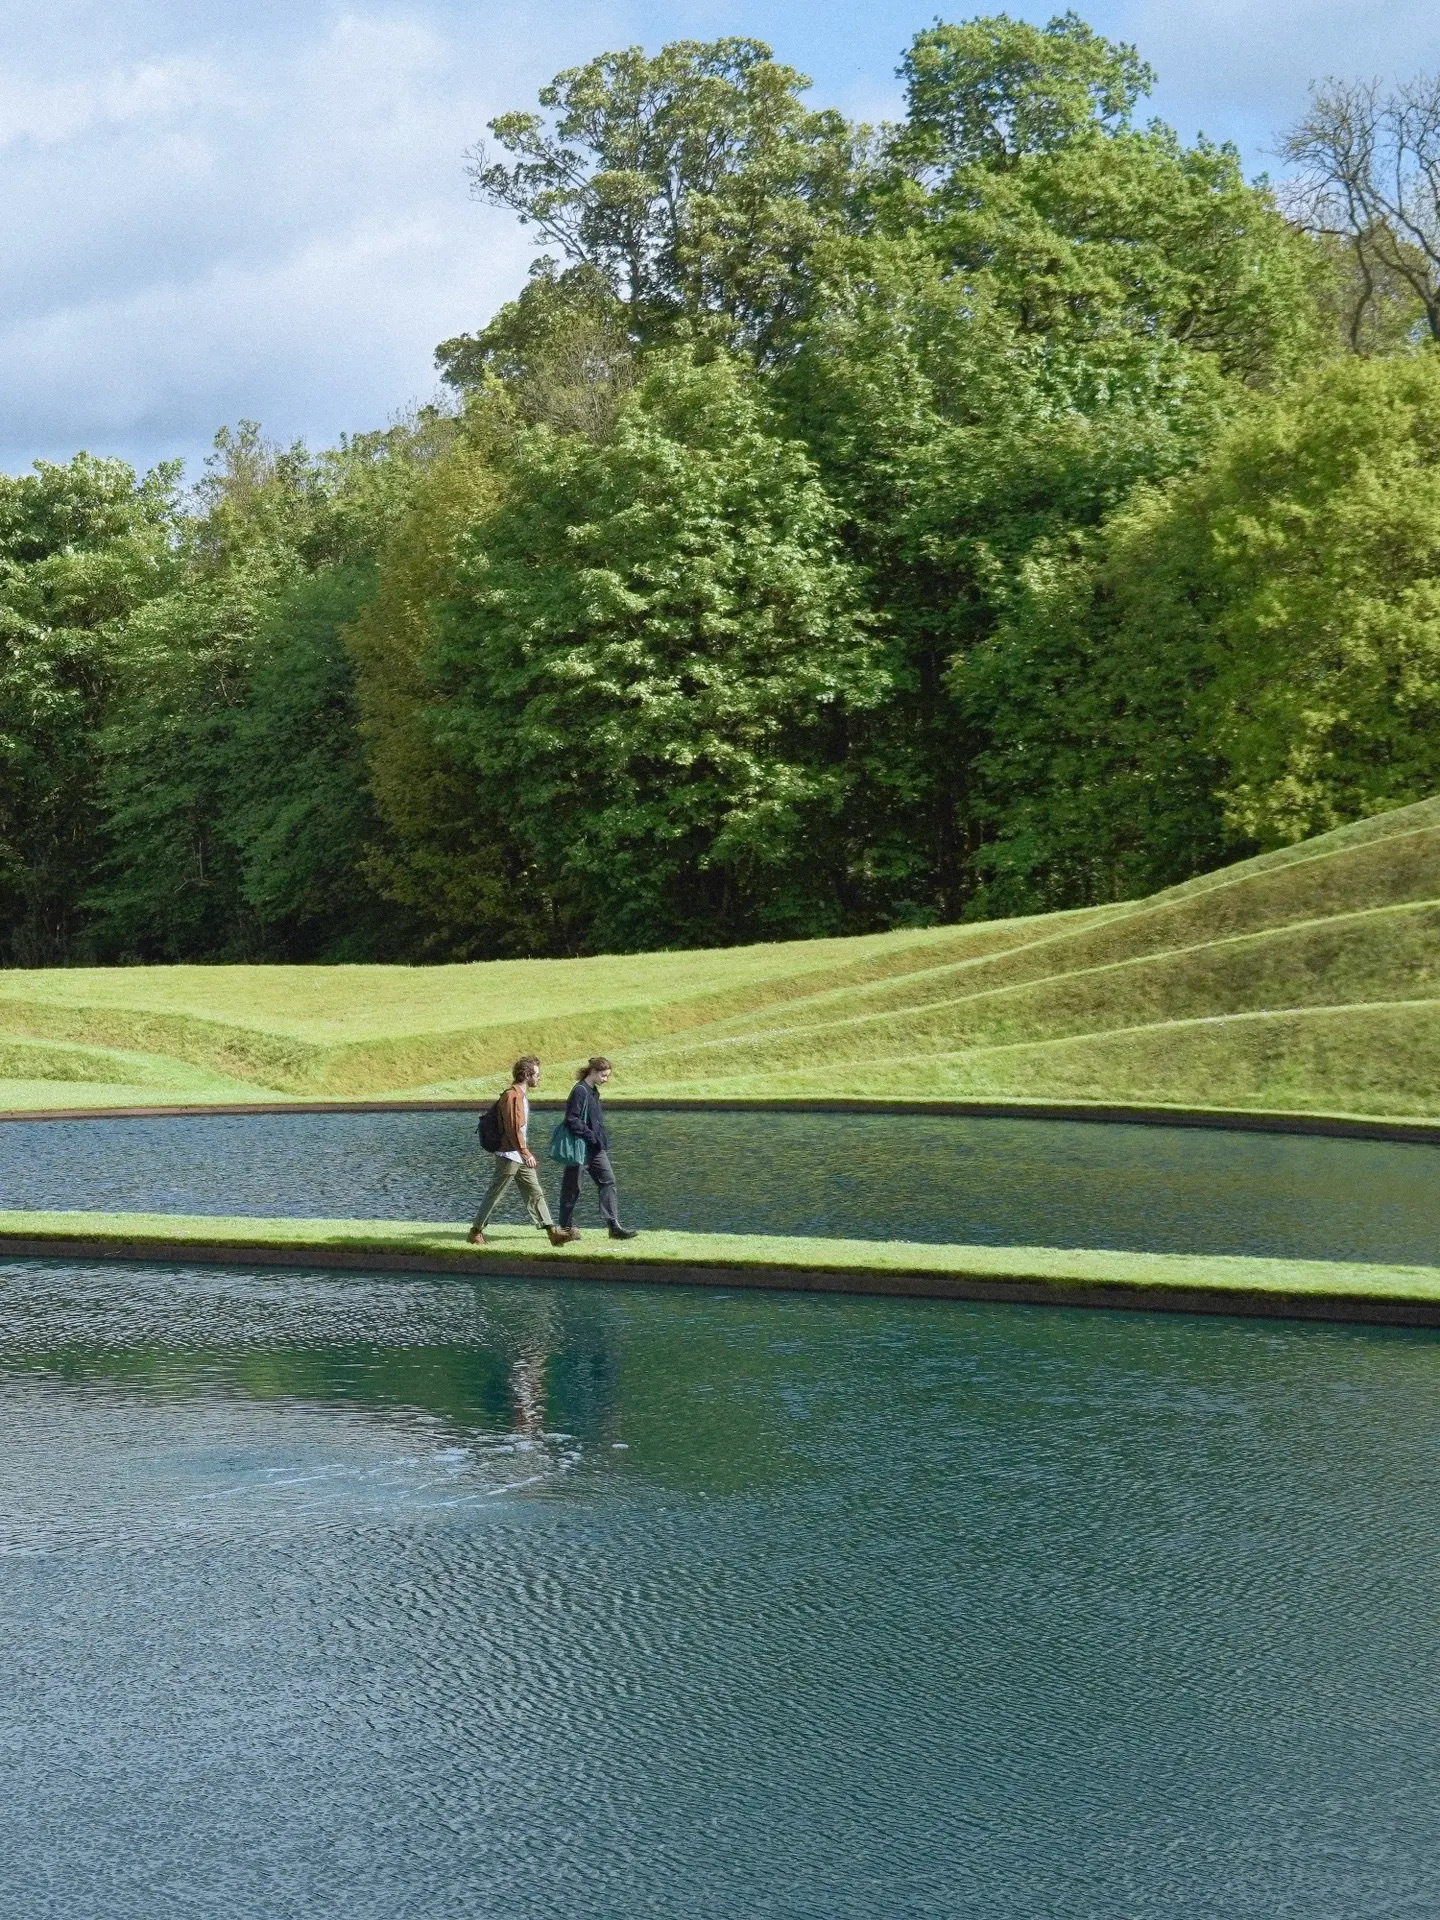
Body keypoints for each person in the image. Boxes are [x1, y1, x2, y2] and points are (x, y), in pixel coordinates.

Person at [469, 1056, 577, 1248]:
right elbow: (513, 1128)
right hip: (509, 1155)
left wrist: (523, 1153)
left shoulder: (520, 1095)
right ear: (527, 1075)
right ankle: (475, 1232)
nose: (539, 1078)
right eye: (537, 1075)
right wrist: (525, 1153)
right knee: (495, 1194)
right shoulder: (513, 1096)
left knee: (535, 1192)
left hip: (517, 1154)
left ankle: (553, 1233)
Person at [558, 1056, 637, 1240]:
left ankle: (613, 1226)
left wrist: (599, 1140)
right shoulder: (580, 1091)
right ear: (593, 1072)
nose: (605, 1079)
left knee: (608, 1181)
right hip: (579, 1148)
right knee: (572, 1188)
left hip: (595, 1149)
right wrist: (590, 1135)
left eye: (607, 1076)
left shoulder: (594, 1091)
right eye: (603, 1075)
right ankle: (565, 1227)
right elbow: (571, 1120)